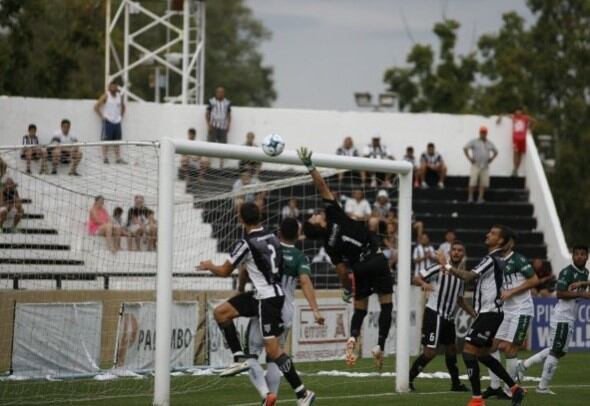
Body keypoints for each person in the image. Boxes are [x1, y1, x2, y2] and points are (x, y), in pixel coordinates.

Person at [198, 202, 316, 406]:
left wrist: (209, 266)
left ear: (241, 219)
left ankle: (303, 393)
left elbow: (225, 271)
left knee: (273, 352)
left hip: (267, 299)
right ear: (259, 216)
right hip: (264, 294)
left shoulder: (246, 242)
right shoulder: (272, 237)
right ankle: (238, 357)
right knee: (220, 313)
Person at [298, 147, 394, 370]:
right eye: (314, 216)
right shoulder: (334, 215)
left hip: (359, 268)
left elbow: (342, 271)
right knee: (386, 304)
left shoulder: (328, 245)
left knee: (360, 308)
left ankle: (352, 337)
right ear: (318, 224)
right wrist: (310, 167)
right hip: (376, 257)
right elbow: (322, 186)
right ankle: (379, 344)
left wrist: (346, 289)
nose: (317, 213)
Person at [437, 225, 526, 406]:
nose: (488, 234)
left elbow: (468, 276)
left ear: (500, 240)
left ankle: (477, 399)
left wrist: (446, 264)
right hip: (490, 313)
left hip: (490, 313)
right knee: (483, 355)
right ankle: (515, 388)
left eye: (493, 233)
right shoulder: (497, 258)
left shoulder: (492, 258)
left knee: (468, 353)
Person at [245, 217, 324, 404]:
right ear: (298, 235)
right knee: (275, 356)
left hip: (266, 303)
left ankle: (266, 395)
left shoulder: (267, 247)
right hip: (286, 310)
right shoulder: (299, 257)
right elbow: (305, 281)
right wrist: (315, 311)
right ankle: (275, 397)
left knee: (251, 353)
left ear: (279, 232)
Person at [517, 245, 590, 395]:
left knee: (556, 350)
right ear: (573, 256)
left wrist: (584, 284)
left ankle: (523, 365)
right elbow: (560, 294)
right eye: (577, 254)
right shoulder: (567, 272)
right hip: (562, 316)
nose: (580, 257)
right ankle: (542, 386)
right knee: (556, 351)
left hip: (569, 316)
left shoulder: (585, 273)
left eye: (583, 254)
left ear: (587, 256)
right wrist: (582, 294)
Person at [410, 240, 475, 392]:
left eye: (460, 250)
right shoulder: (439, 268)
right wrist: (423, 284)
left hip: (449, 317)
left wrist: (472, 313)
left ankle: (455, 384)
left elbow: (459, 299)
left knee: (452, 349)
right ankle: (408, 379)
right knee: (430, 352)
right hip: (435, 313)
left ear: (463, 254)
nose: (457, 252)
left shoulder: (460, 275)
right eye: (454, 250)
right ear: (450, 252)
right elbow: (416, 278)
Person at [483, 237, 539, 400]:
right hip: (505, 310)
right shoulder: (495, 259)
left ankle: (510, 389)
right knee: (490, 346)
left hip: (522, 310)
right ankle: (495, 387)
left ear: (511, 243)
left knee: (509, 349)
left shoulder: (518, 259)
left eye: (505, 241)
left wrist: (511, 292)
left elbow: (534, 280)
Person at [463, 126, 498, 203]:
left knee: (483, 182)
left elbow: (496, 151)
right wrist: (469, 158)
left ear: (486, 133)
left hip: (485, 166)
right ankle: (470, 197)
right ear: (479, 133)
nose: (483, 134)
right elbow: (465, 148)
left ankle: (480, 198)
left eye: (484, 132)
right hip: (476, 165)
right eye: (482, 132)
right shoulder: (474, 141)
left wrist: (491, 159)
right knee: (473, 181)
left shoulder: (489, 143)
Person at [94, 81, 126, 164]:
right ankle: (105, 158)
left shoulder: (119, 96)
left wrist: (121, 116)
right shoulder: (106, 95)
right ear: (109, 87)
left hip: (117, 121)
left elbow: (123, 106)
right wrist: (102, 117)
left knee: (117, 141)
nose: (113, 88)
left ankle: (118, 158)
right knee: (106, 140)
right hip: (108, 121)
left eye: (115, 87)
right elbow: (96, 106)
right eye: (112, 87)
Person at [497, 107, 536, 176]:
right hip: (515, 139)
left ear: (521, 112)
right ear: (515, 111)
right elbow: (505, 115)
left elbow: (533, 121)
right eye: (517, 111)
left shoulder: (525, 118)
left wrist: (530, 130)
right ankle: (514, 169)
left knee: (520, 154)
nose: (518, 112)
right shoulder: (514, 117)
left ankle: (516, 170)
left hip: (523, 139)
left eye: (519, 111)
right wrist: (500, 117)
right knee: (515, 153)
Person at [206, 86, 231, 168]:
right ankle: (208, 162)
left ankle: (222, 163)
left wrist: (228, 125)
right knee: (209, 144)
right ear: (216, 93)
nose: (220, 94)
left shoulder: (227, 102)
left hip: (223, 126)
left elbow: (228, 114)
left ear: (224, 93)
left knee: (223, 146)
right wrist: (208, 125)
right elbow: (207, 113)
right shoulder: (211, 101)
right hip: (213, 125)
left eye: (222, 92)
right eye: (218, 92)